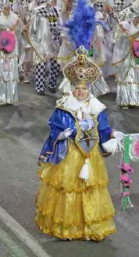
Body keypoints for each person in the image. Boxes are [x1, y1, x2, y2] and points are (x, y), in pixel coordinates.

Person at [35, 48, 121, 241]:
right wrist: (62, 134)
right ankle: (68, 228)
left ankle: (91, 227)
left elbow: (103, 130)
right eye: (77, 88)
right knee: (69, 189)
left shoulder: (97, 108)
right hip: (70, 156)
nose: (81, 91)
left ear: (90, 89)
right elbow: (54, 128)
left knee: (89, 189)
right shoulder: (64, 107)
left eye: (84, 88)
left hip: (91, 158)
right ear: (72, 88)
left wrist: (113, 135)